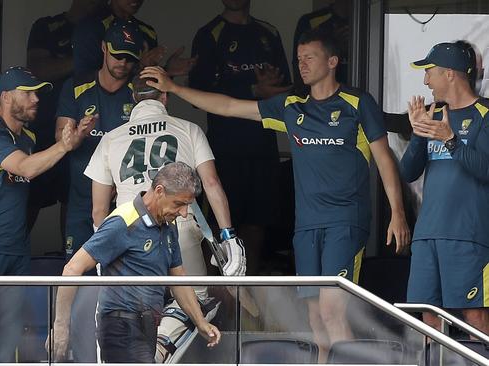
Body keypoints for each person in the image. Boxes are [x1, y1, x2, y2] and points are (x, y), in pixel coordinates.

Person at [142, 29, 411, 361]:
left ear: (332, 61)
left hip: (346, 221)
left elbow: (384, 158)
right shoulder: (290, 106)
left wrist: (397, 212)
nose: (302, 65)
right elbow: (228, 106)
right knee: (314, 317)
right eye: (298, 59)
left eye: (309, 58)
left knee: (332, 310)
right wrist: (174, 88)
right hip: (307, 227)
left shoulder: (357, 103)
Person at [84, 74, 245, 362]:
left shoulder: (111, 138)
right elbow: (211, 183)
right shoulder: (188, 128)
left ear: (132, 99)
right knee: (195, 298)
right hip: (178, 223)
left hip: (126, 230)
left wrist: (101, 250)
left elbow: (98, 209)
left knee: (121, 308)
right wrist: (228, 235)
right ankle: (161, 344)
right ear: (165, 98)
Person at [0, 66, 89, 362]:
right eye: (28, 92)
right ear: (5, 97)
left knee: (9, 336)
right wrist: (64, 146)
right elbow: (26, 168)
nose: (36, 99)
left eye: (37, 93)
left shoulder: (26, 137)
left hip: (15, 250)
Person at [48, 162, 221, 363]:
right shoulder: (123, 221)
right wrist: (60, 326)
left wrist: (200, 322)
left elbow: (178, 278)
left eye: (187, 206)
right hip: (120, 325)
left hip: (148, 325)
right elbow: (72, 268)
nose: (183, 213)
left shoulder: (169, 225)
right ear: (159, 191)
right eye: (178, 204)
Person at [55, 20, 143, 362]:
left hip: (126, 207)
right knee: (77, 278)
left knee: (125, 285)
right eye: (118, 54)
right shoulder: (76, 88)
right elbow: (61, 141)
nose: (122, 63)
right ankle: (73, 347)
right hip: (81, 204)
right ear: (104, 49)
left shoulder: (136, 94)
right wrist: (75, 136)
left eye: (130, 58)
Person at [189, 0, 291, 275]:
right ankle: (212, 300)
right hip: (225, 148)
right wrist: (253, 87)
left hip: (262, 145)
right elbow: (197, 94)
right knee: (217, 227)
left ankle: (248, 298)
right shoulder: (210, 33)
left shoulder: (268, 32)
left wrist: (273, 86)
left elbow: (289, 89)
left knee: (256, 226)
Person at [401, 41, 489, 334]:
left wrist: (451, 139)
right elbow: (408, 173)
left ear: (450, 74)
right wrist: (418, 134)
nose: (426, 81)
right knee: (428, 317)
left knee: (474, 317)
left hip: (468, 235)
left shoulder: (484, 114)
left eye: (430, 72)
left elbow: (486, 170)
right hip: (428, 234)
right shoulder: (432, 114)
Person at [25, 0, 106, 231]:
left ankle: (68, 259)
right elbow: (38, 69)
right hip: (43, 126)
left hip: (86, 127)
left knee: (73, 198)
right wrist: (83, 61)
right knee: (31, 194)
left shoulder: (105, 29)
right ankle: (17, 261)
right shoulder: (47, 26)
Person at [72, 0, 195, 76]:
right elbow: (84, 80)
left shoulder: (147, 32)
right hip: (100, 112)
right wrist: (139, 67)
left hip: (138, 111)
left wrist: (166, 71)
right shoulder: (92, 27)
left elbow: (148, 90)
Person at [292, 1, 349, 90]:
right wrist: (336, 46)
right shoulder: (311, 22)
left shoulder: (369, 17)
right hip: (318, 96)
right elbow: (299, 69)